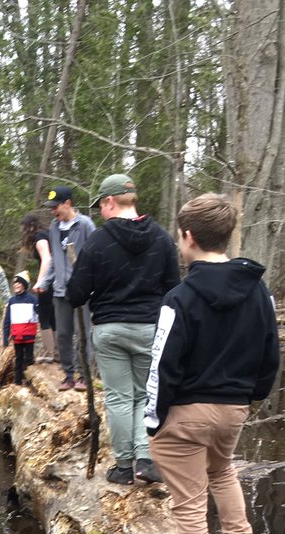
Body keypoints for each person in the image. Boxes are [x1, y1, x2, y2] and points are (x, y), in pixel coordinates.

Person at [145, 193, 280, 534]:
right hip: (234, 408)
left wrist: (153, 418)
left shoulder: (179, 298)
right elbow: (270, 353)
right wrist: (251, 396)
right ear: (227, 234)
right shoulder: (259, 292)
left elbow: (162, 365)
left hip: (187, 412)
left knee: (188, 501)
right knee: (222, 471)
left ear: (188, 237)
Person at [66, 173, 179, 485]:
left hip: (110, 329)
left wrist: (84, 277)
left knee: (118, 397)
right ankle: (145, 459)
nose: (101, 212)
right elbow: (174, 289)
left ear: (110, 201)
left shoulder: (97, 243)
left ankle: (123, 467)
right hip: (150, 328)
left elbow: (76, 294)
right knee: (145, 395)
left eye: (101, 205)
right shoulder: (162, 238)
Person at [39, 187, 96, 390]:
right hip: (60, 291)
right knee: (63, 334)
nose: (53, 211)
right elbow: (54, 259)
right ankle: (69, 375)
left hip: (81, 292)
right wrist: (45, 282)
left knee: (83, 335)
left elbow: (96, 256)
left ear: (68, 203)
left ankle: (84, 376)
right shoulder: (54, 227)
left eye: (56, 207)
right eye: (51, 208)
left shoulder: (86, 225)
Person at [21, 213, 55, 362]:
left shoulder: (40, 237)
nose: (24, 230)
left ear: (32, 225)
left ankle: (51, 353)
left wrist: (41, 281)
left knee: (44, 315)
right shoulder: (46, 234)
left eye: (25, 227)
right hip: (55, 278)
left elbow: (46, 259)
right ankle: (57, 354)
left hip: (49, 280)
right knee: (53, 316)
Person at [2, 271, 39, 384]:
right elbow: (7, 321)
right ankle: (17, 382)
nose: (16, 285)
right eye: (14, 283)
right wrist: (5, 337)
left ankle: (30, 382)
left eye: (18, 283)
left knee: (29, 359)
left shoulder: (33, 299)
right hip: (17, 335)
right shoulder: (12, 301)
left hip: (29, 335)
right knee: (18, 359)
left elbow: (40, 313)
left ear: (24, 285)